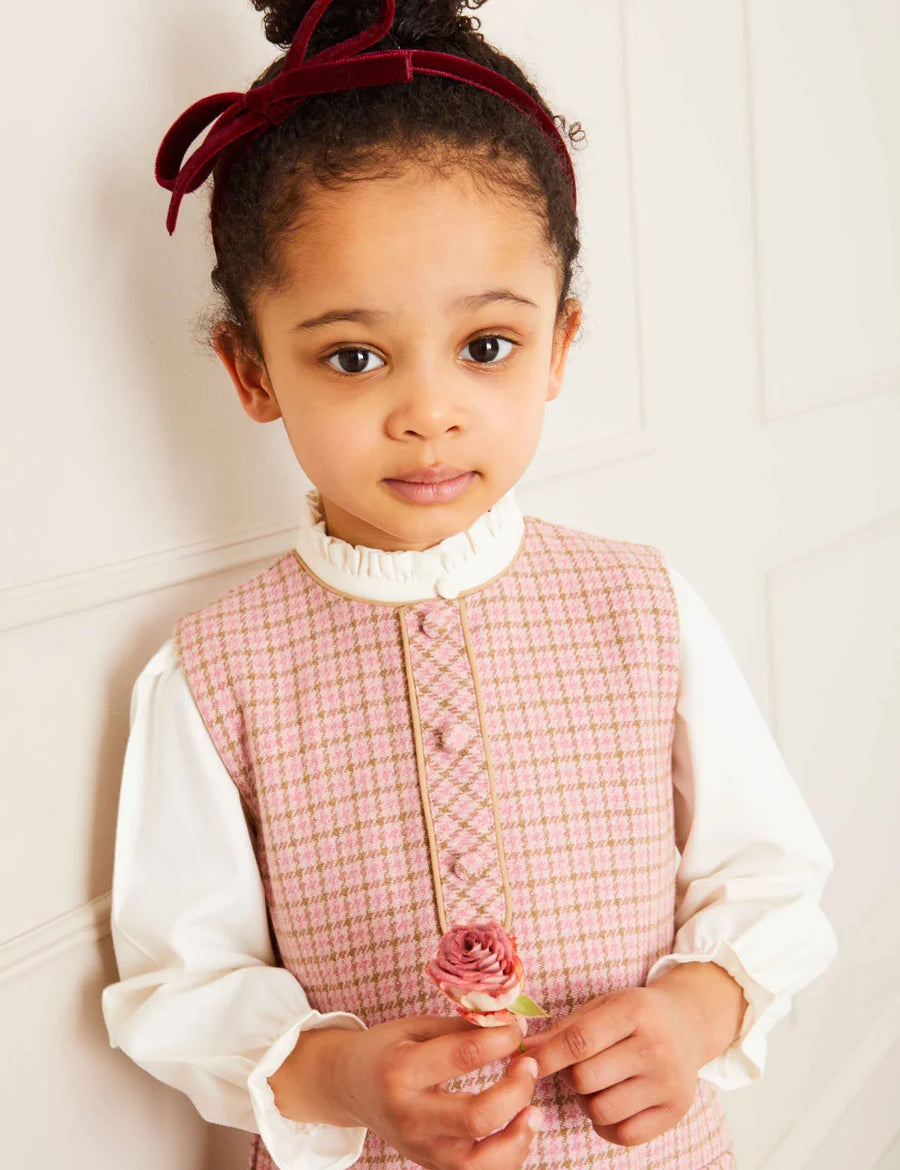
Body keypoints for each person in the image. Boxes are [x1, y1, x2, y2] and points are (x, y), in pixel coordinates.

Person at [100, 1, 838, 1168]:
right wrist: (345, 1075)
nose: (426, 409)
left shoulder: (641, 609)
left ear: (558, 346)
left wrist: (696, 1015)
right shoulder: (215, 670)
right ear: (253, 371)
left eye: (485, 346)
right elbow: (183, 979)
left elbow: (771, 881)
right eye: (353, 356)